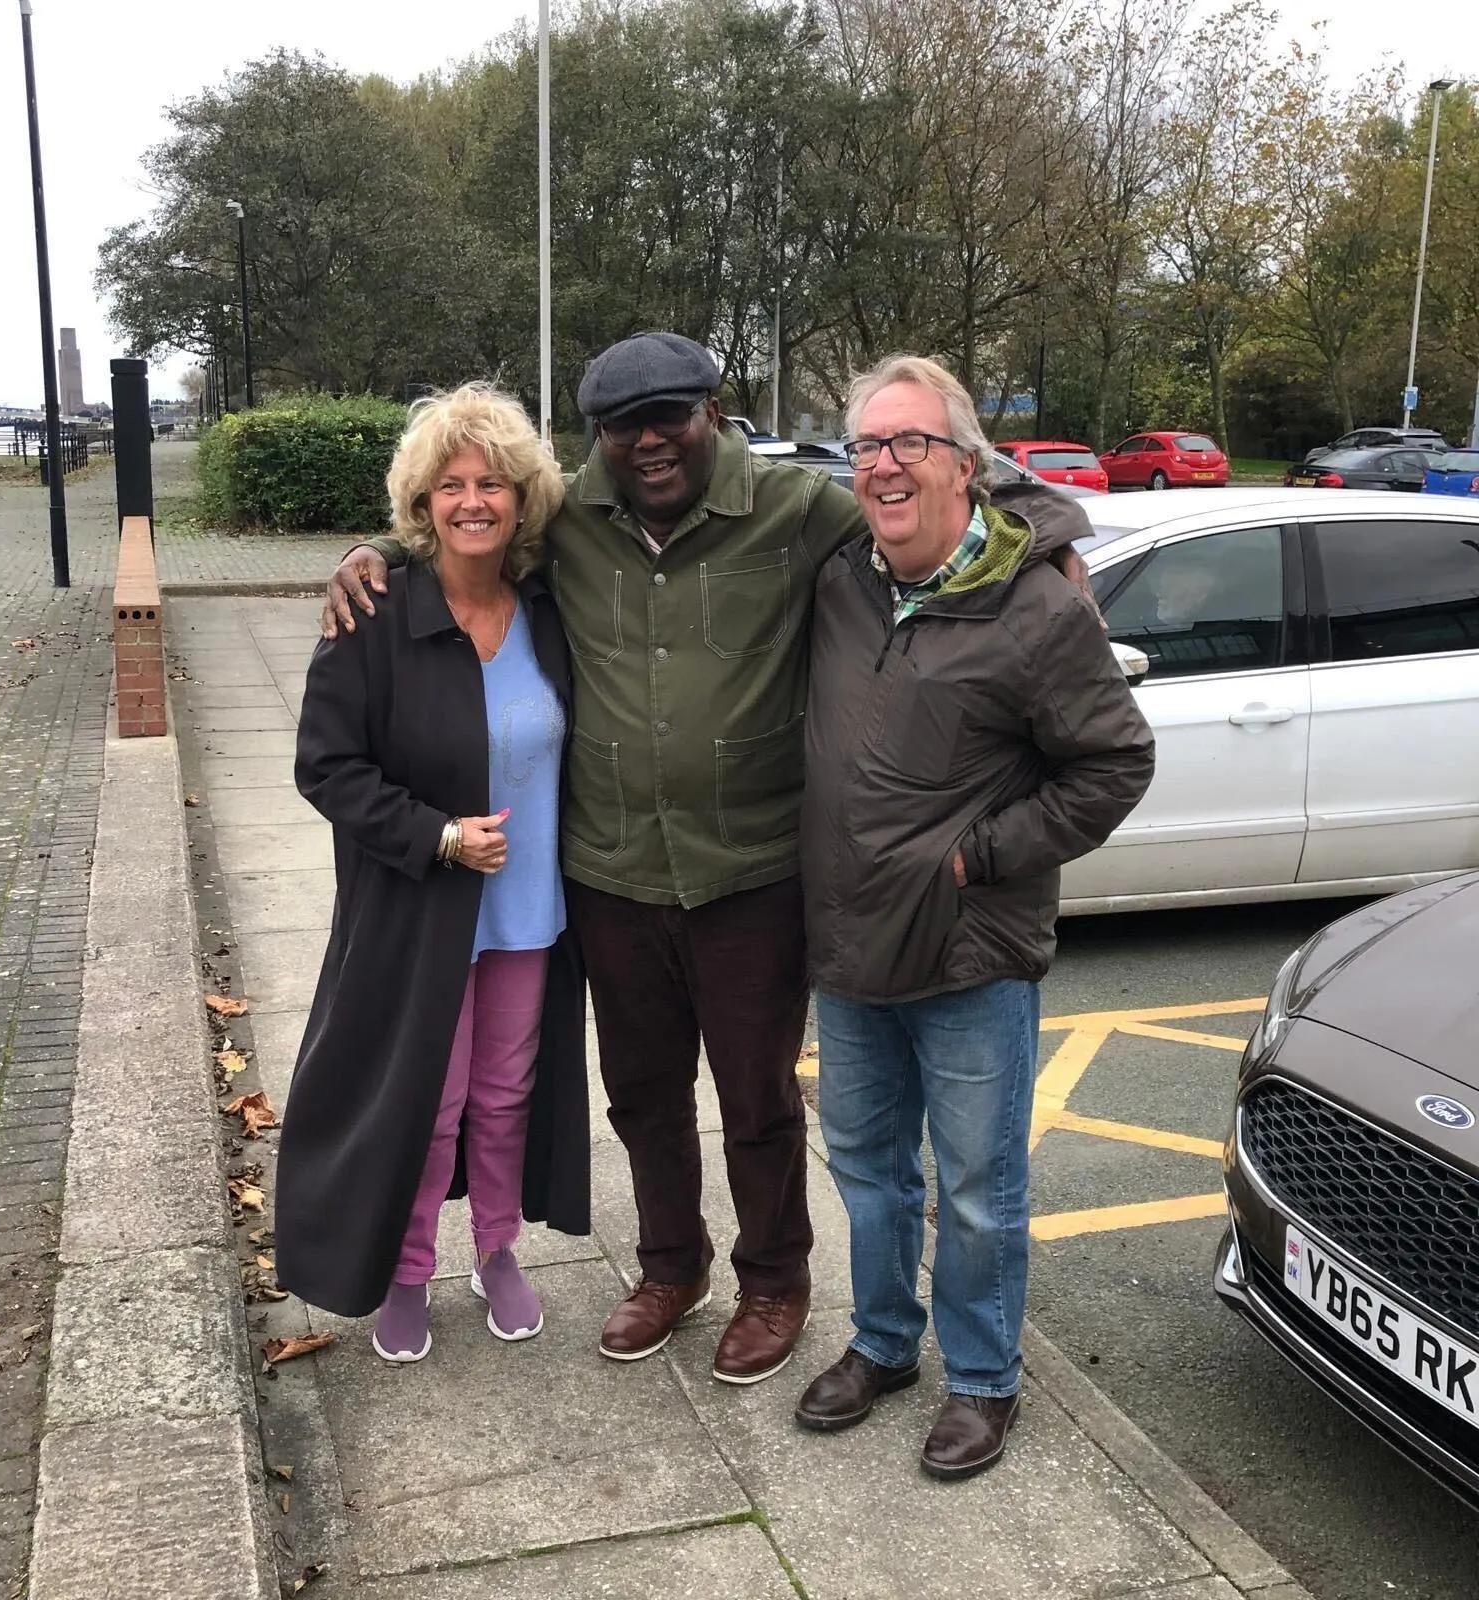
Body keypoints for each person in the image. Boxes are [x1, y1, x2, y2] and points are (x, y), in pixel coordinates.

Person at [320, 333, 1099, 1387]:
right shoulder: (573, 520)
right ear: (595, 438)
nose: (646, 442)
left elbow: (937, 484)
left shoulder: (795, 509)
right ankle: (669, 1268)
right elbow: (463, 515)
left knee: (758, 1100)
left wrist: (1054, 530)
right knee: (641, 1097)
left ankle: (773, 1280)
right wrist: (370, 554)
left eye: (668, 417)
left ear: (712, 411)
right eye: (618, 426)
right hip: (610, 873)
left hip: (752, 874)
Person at [792, 355, 1155, 1478]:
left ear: (964, 464)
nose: (882, 465)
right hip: (850, 947)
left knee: (980, 1188)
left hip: (968, 951)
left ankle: (985, 1379)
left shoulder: (1037, 604)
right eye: (865, 447)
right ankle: (885, 1342)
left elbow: (1113, 763)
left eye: (907, 443)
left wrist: (981, 856)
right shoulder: (842, 577)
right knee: (866, 1165)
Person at [274, 384, 590, 1365]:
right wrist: (437, 835)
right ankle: (410, 1268)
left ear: (520, 497)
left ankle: (496, 1250)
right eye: (451, 484)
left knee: (504, 1096)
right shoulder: (377, 610)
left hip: (529, 910)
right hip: (421, 911)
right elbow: (324, 764)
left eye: (491, 480)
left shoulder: (548, 609)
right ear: (422, 501)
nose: (472, 501)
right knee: (429, 1098)